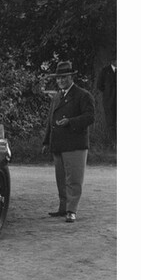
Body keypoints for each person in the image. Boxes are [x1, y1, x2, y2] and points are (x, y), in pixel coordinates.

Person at [41, 60, 96, 223]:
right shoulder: (57, 96)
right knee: (61, 178)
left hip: (75, 144)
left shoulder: (83, 95)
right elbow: (50, 120)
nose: (61, 81)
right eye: (58, 78)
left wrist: (70, 122)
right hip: (58, 144)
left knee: (74, 179)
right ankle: (63, 208)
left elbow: (90, 117)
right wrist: (46, 142)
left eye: (64, 77)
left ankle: (72, 210)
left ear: (72, 77)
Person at [96, 52, 116, 143]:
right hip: (109, 101)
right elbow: (99, 85)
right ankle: (114, 143)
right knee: (111, 122)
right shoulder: (105, 71)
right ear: (112, 61)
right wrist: (108, 93)